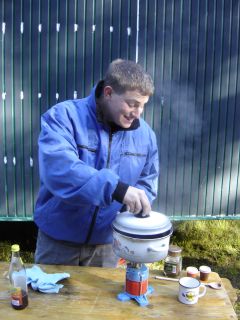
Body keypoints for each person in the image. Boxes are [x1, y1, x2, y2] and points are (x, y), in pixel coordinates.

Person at [34, 59, 159, 267]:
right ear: (108, 93)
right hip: (58, 243)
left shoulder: (145, 135)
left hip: (107, 247)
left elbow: (147, 181)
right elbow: (60, 170)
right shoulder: (64, 117)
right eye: (132, 103)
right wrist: (116, 189)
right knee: (49, 300)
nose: (137, 114)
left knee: (101, 301)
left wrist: (135, 210)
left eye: (143, 106)